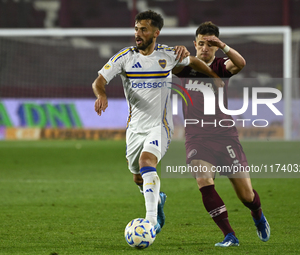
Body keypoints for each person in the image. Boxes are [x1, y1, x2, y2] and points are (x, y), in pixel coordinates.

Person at [92, 11, 223, 234]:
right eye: (136, 29)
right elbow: (99, 81)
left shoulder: (168, 55)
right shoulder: (125, 57)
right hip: (135, 127)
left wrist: (214, 77)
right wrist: (101, 94)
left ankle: (151, 222)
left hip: (159, 125)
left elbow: (193, 61)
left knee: (147, 162)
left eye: (143, 29)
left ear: (156, 32)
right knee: (137, 176)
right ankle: (158, 199)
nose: (138, 34)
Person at [174, 21, 270, 247]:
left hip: (225, 136)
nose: (204, 48)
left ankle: (257, 214)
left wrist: (224, 46)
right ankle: (230, 235)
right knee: (203, 181)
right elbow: (171, 65)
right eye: (201, 43)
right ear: (194, 43)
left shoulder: (221, 67)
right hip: (197, 137)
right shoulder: (185, 67)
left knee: (246, 196)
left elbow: (241, 63)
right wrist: (177, 53)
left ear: (216, 47)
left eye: (210, 44)